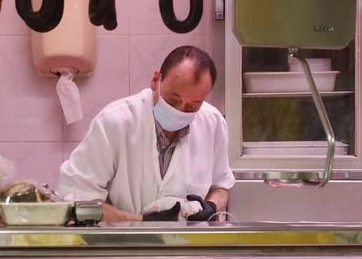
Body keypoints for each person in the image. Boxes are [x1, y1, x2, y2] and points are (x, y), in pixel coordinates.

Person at [58, 45, 234, 223]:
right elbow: (77, 201)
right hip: (125, 245)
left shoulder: (213, 123)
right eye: (173, 100)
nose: (180, 110)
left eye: (192, 106)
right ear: (155, 80)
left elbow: (222, 186)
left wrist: (211, 205)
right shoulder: (114, 122)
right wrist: (141, 221)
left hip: (189, 247)